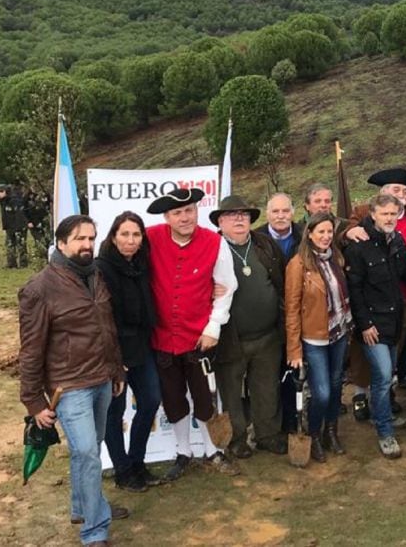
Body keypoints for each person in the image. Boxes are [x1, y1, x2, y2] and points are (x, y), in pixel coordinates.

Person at [18, 214, 127, 544]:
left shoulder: (95, 277)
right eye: (80, 239)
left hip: (102, 379)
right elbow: (30, 349)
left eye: (92, 238)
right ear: (61, 243)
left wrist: (116, 369)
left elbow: (108, 329)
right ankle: (95, 529)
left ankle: (84, 506)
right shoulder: (40, 289)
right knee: (87, 454)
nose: (88, 245)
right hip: (69, 387)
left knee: (89, 451)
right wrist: (34, 400)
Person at [145, 187, 239, 480]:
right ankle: (183, 451)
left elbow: (228, 287)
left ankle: (212, 450)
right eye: (177, 213)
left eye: (189, 211)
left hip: (200, 338)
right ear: (167, 217)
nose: (185, 218)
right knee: (173, 399)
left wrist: (214, 327)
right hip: (162, 338)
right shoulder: (150, 237)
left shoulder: (215, 242)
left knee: (204, 398)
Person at [345, 194, 406, 458]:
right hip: (373, 325)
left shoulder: (397, 240)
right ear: (373, 214)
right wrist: (365, 325)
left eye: (393, 214)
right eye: (384, 213)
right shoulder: (359, 246)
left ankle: (380, 415)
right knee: (384, 375)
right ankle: (386, 433)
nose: (389, 218)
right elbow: (355, 290)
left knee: (384, 378)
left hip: (394, 320)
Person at [210, 195, 288, 460]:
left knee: (267, 388)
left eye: (244, 215)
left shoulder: (264, 244)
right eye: (232, 215)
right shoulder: (212, 248)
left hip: (268, 335)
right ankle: (236, 439)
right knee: (231, 391)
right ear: (220, 221)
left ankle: (267, 435)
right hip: (231, 338)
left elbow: (281, 279)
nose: (239, 219)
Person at [347, 167, 406, 417]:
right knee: (367, 354)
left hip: (401, 295)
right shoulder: (362, 213)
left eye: (405, 191)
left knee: (395, 350)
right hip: (371, 299)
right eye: (395, 189)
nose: (401, 194)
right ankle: (362, 396)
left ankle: (385, 396)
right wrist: (348, 231)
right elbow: (344, 230)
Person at [96, 211, 162, 493]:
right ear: (113, 236)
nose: (131, 240)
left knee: (150, 401)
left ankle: (137, 461)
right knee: (115, 412)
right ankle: (122, 469)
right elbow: (102, 318)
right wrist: (114, 360)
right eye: (125, 234)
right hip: (114, 351)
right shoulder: (101, 268)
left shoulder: (142, 264)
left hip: (142, 346)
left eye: (136, 234)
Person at [285, 212, 353, 462]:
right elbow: (292, 310)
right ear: (309, 234)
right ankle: (313, 434)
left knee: (336, 387)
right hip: (314, 339)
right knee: (322, 391)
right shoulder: (298, 265)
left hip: (339, 332)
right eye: (320, 232)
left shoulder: (335, 257)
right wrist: (294, 350)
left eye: (329, 231)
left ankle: (331, 431)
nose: (325, 236)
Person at [0, 184, 30, 269]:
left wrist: (19, 227)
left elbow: (19, 214)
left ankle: (23, 264)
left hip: (18, 226)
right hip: (9, 227)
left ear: (4, 191)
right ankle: (11, 263)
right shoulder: (3, 201)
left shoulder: (15, 200)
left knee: (21, 245)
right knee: (9, 244)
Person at [264, 192, 300, 262]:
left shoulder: (305, 235)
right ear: (267, 214)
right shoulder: (254, 240)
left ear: (292, 213)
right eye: (275, 211)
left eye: (285, 211)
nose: (281, 216)